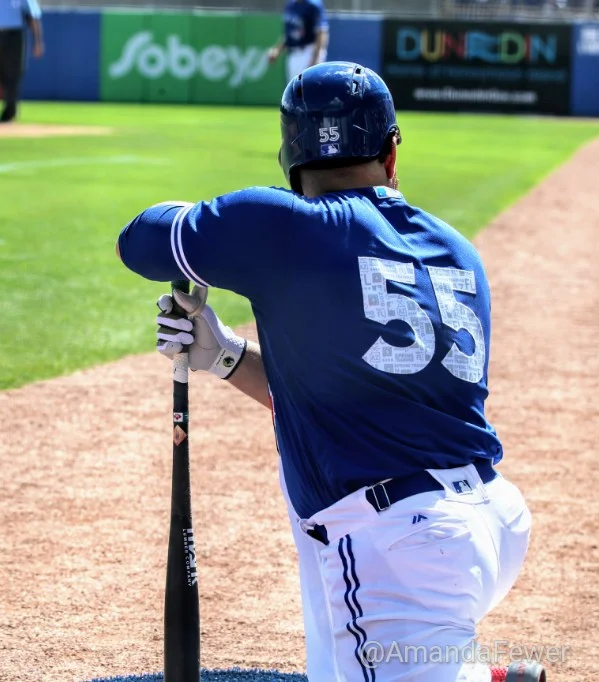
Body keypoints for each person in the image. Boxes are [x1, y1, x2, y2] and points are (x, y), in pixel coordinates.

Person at [116, 62, 546, 682]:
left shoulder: (285, 226)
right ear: (391, 152)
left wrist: (225, 227)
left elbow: (140, 240)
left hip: (395, 547)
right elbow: (358, 404)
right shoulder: (458, 251)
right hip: (486, 520)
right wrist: (227, 355)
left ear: (290, 158)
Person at [0, 0, 44, 124]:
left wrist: (38, 41)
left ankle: (9, 111)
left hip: (14, 35)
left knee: (13, 73)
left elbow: (33, 17)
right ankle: (10, 106)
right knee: (0, 73)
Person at [268, 0, 328, 79]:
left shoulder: (313, 5)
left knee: (310, 88)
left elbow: (321, 32)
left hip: (308, 52)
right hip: (293, 54)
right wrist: (277, 50)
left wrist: (315, 59)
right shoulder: (291, 5)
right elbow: (290, 34)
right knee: (294, 89)